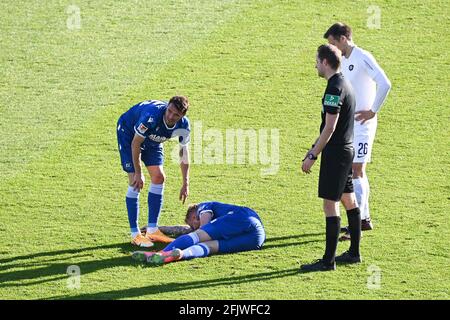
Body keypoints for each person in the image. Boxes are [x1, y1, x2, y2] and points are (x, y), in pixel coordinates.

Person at [324, 23, 391, 240]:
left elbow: (385, 83)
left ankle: (359, 223)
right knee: (356, 171)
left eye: (333, 43)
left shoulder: (362, 57)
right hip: (351, 126)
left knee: (356, 171)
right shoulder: (343, 61)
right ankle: (365, 219)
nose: (332, 49)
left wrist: (372, 111)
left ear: (343, 38)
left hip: (363, 126)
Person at [300, 44, 362, 272]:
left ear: (325, 62)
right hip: (347, 150)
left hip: (336, 154)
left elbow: (330, 127)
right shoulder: (345, 82)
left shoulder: (334, 89)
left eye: (317, 60)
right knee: (348, 200)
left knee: (330, 204)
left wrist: (312, 155)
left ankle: (328, 261)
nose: (315, 64)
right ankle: (354, 253)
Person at [117, 96, 191, 247]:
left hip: (154, 138)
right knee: (135, 182)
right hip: (129, 134)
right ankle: (135, 234)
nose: (170, 116)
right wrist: (138, 172)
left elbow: (183, 152)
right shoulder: (151, 116)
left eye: (176, 115)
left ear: (182, 116)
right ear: (167, 107)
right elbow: (136, 143)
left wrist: (185, 182)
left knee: (159, 177)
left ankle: (152, 230)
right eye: (169, 111)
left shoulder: (184, 125)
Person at [131, 201, 266, 265]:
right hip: (257, 238)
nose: (192, 227)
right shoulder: (218, 219)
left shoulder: (204, 207)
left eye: (192, 223)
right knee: (210, 247)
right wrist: (162, 228)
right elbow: (185, 230)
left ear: (195, 216)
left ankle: (160, 254)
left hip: (242, 217)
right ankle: (180, 255)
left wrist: (196, 233)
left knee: (197, 236)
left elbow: (202, 228)